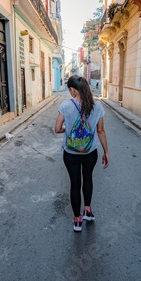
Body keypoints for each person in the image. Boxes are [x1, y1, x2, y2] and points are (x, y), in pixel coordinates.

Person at [54, 75, 109, 232]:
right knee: (88, 179)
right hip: (90, 152)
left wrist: (68, 130)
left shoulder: (65, 105)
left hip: (70, 153)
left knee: (75, 184)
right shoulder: (97, 106)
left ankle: (77, 220)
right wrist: (106, 151)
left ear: (72, 90)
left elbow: (57, 129)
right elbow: (100, 130)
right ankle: (88, 211)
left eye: (69, 90)